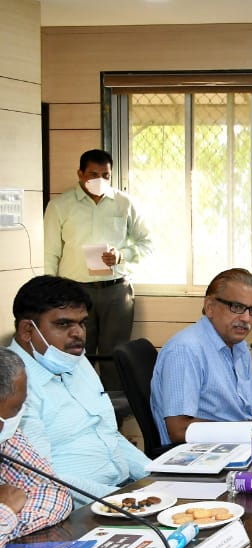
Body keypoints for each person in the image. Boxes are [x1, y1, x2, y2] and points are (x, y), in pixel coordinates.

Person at [7, 275, 151, 505]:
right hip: (74, 510)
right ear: (27, 330)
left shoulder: (72, 359)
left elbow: (109, 435)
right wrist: (121, 501)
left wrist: (152, 478)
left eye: (82, 322)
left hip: (121, 495)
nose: (79, 334)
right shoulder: (11, 385)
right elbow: (41, 477)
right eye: (63, 324)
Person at [43, 149, 152, 391]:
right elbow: (50, 254)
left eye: (106, 175)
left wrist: (122, 255)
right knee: (74, 354)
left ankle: (115, 420)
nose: (99, 180)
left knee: (116, 356)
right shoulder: (60, 206)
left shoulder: (125, 203)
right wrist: (49, 298)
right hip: (73, 293)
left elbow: (147, 243)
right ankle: (76, 416)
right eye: (93, 174)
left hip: (116, 291)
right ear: (80, 174)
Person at [152, 268, 252, 445]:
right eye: (237, 307)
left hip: (234, 444)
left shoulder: (239, 347)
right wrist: (248, 428)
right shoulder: (186, 350)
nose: (246, 318)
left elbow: (238, 413)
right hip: (199, 455)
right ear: (210, 307)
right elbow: (179, 430)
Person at [0, 348, 73, 545]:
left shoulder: (7, 432)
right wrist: (6, 511)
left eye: (15, 410)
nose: (2, 425)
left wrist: (6, 528)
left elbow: (55, 493)